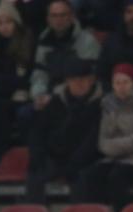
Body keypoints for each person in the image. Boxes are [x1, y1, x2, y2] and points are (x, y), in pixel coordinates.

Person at [73, 63, 133, 212]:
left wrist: (115, 145)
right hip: (113, 158)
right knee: (89, 176)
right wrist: (121, 145)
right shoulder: (108, 104)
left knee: (117, 177)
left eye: (126, 82)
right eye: (117, 83)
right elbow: (103, 143)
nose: (121, 87)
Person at [25, 56, 102, 204]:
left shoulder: (100, 104)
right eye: (74, 79)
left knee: (83, 178)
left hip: (86, 159)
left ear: (91, 80)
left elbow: (94, 139)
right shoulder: (56, 101)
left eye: (83, 79)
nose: (79, 84)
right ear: (67, 81)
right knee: (35, 172)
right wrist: (37, 153)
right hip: (56, 156)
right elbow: (38, 131)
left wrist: (76, 162)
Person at [0, 1, 34, 157]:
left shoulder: (28, 41)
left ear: (16, 22)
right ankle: (0, 155)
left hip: (22, 94)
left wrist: (7, 83)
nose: (4, 27)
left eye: (8, 21)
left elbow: (28, 75)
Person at [30, 0, 101, 111]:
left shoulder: (87, 41)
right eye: (54, 16)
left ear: (72, 16)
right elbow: (40, 72)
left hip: (77, 98)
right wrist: (39, 94)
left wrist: (55, 97)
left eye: (63, 15)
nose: (58, 20)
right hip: (47, 95)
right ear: (48, 19)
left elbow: (87, 78)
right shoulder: (44, 40)